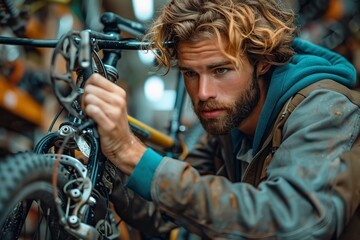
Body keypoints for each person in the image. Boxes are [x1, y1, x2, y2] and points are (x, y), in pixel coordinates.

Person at [82, 0, 360, 239]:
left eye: (221, 70)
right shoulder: (227, 129)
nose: (203, 94)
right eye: (191, 73)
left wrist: (133, 154)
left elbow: (293, 223)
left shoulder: (323, 109)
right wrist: (112, 164)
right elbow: (172, 217)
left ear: (262, 61)